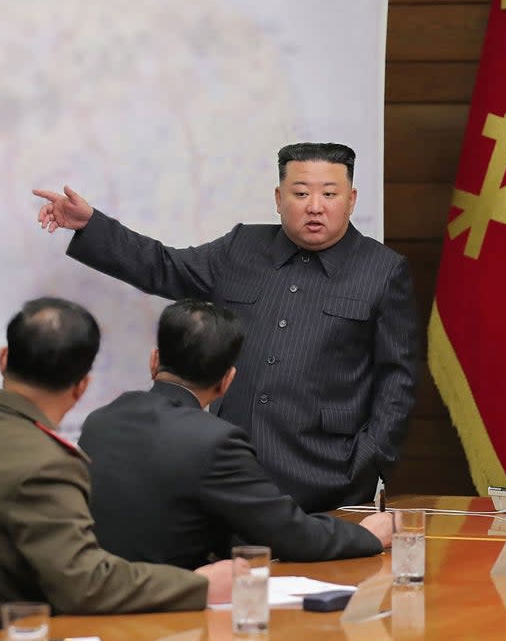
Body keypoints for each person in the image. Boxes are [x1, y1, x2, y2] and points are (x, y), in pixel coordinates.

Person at [34, 142, 418, 513]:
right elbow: (165, 266)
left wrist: (367, 462)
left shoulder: (382, 271)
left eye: (330, 194)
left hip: (328, 476)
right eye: (300, 193)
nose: (314, 207)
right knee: (230, 575)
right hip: (233, 465)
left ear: (351, 200)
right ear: (278, 198)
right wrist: (92, 225)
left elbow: (397, 380)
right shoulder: (241, 247)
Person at [0, 298, 233, 641]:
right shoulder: (47, 462)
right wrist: (200, 587)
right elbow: (86, 583)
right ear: (82, 387)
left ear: (4, 359)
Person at [80, 299, 393, 570]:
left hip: (104, 603)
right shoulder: (216, 441)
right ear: (227, 380)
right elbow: (290, 535)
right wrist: (368, 535)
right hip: (178, 612)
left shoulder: (99, 422)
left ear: (154, 361)